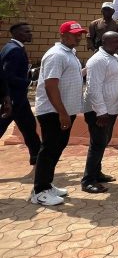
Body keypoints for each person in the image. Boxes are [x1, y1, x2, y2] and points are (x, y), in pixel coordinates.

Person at [30, 21, 87, 205]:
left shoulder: (69, 53)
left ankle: (46, 185)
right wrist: (62, 113)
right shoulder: (56, 55)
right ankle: (39, 192)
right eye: (75, 34)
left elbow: (69, 77)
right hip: (53, 112)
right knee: (49, 149)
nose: (79, 37)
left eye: (80, 34)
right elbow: (51, 85)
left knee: (57, 147)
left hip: (64, 111)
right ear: (63, 35)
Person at [81, 31, 118, 194]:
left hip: (110, 110)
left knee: (103, 142)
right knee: (97, 144)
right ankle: (88, 181)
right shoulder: (98, 60)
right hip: (98, 111)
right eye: (114, 41)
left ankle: (97, 173)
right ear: (103, 42)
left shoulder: (115, 57)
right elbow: (93, 88)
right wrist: (101, 111)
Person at [0, 23, 40, 165]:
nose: (30, 34)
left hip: (20, 99)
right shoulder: (14, 51)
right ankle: (37, 155)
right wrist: (30, 83)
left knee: (29, 127)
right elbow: (8, 76)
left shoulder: (12, 47)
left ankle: (37, 156)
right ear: (16, 34)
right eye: (26, 32)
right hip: (13, 99)